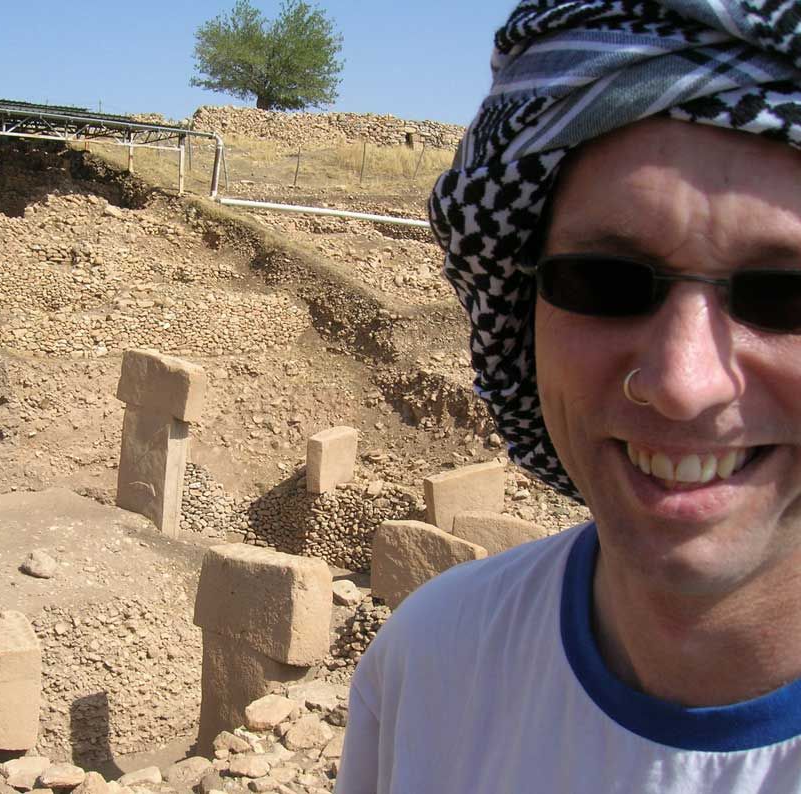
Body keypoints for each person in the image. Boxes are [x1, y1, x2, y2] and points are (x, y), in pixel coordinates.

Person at [335, 1, 801, 791]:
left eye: (785, 295)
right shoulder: (431, 662)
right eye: (604, 281)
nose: (684, 385)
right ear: (523, 314)